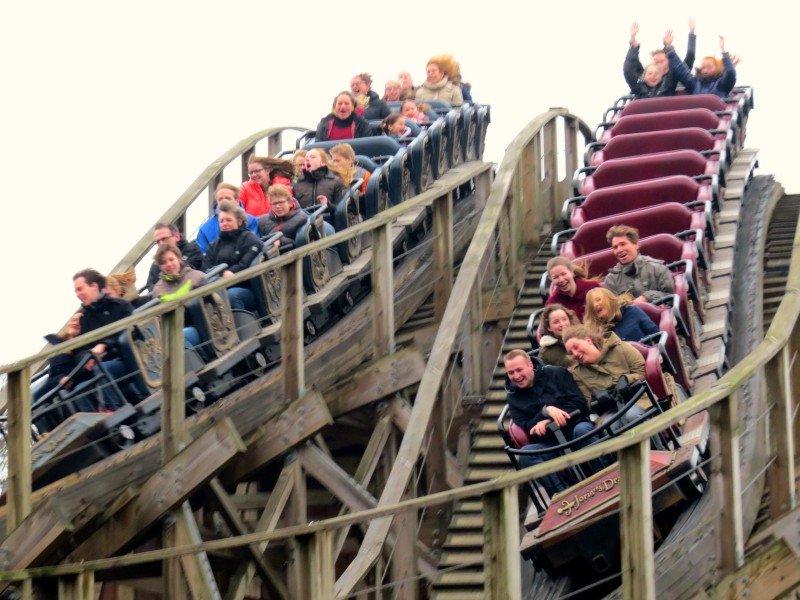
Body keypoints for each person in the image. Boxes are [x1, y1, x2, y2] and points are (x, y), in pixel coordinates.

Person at [503, 349, 601, 496]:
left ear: (530, 365)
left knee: (582, 430)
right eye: (511, 373)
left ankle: (606, 476)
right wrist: (546, 411)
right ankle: (563, 497)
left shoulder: (557, 373)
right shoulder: (513, 399)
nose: (516, 376)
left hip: (575, 428)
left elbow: (580, 404)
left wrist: (550, 417)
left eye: (519, 370)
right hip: (550, 443)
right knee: (526, 455)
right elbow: (528, 426)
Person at [563, 324, 646, 430]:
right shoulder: (578, 373)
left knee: (632, 415)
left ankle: (657, 445)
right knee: (610, 426)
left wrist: (626, 379)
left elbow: (641, 371)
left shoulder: (620, 347)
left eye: (576, 347)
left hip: (638, 398)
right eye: (571, 353)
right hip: (611, 409)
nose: (575, 354)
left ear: (588, 341)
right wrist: (597, 399)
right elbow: (587, 402)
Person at [73, 269, 135, 410]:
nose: (77, 295)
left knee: (103, 370)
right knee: (80, 389)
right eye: (76, 291)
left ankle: (116, 412)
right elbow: (81, 349)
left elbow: (131, 330)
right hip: (103, 367)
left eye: (80, 289)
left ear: (94, 286)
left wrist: (104, 345)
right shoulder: (86, 319)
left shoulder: (119, 306)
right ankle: (100, 429)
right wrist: (87, 358)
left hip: (130, 359)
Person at [202, 200, 261, 312]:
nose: (224, 223)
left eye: (228, 220)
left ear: (239, 221)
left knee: (232, 295)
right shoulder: (215, 245)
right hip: (219, 287)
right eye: (221, 221)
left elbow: (245, 263)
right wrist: (220, 275)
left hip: (246, 289)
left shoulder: (249, 238)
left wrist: (231, 272)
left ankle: (241, 328)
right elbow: (206, 268)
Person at [603, 225, 675, 304]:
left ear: (636, 244)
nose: (619, 250)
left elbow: (671, 298)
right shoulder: (611, 281)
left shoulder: (657, 268)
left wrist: (646, 298)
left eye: (623, 244)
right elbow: (612, 312)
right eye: (615, 247)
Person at [151, 243, 205, 348]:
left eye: (171, 259)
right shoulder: (158, 290)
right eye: (163, 262)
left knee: (180, 337)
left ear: (179, 259)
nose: (169, 264)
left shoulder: (196, 276)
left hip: (202, 325)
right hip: (177, 329)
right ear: (160, 266)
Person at [624, 19, 696, 96]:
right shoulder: (643, 79)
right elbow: (629, 70)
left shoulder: (673, 75)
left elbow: (690, 57)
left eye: (662, 61)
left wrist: (691, 33)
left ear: (668, 62)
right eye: (656, 62)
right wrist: (633, 47)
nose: (659, 65)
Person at [664, 30, 737, 98]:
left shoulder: (722, 84)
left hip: (716, 111)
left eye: (709, 67)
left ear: (717, 68)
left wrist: (724, 51)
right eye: (703, 67)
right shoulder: (695, 83)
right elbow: (680, 68)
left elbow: (730, 74)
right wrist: (668, 47)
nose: (705, 70)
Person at [196, 183, 260, 253]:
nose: (224, 202)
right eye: (220, 199)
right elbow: (203, 255)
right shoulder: (204, 229)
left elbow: (254, 248)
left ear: (237, 200)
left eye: (228, 198)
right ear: (217, 202)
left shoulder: (250, 221)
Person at [584, 288, 659, 342]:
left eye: (598, 300)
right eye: (591, 304)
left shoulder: (631, 311)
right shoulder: (594, 332)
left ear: (610, 299)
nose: (595, 305)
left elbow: (655, 334)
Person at [145, 222, 204, 292]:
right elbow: (151, 288)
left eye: (164, 239)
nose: (161, 243)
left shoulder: (192, 249)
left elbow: (188, 271)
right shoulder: (155, 265)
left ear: (177, 237)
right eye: (158, 241)